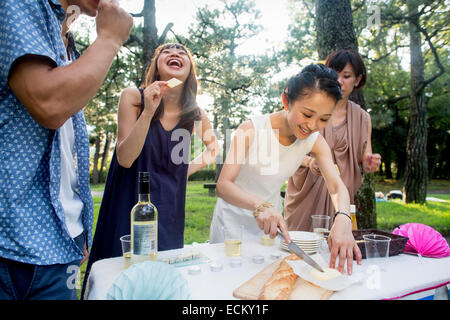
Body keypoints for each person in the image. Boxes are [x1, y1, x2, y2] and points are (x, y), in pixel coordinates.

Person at [0, 0, 132, 300]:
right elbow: (49, 104)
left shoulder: (67, 43)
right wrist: (110, 39)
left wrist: (78, 227)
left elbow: (64, 147)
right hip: (12, 248)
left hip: (62, 246)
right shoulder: (18, 5)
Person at [82, 43, 218, 296]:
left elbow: (213, 148)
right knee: (120, 273)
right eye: (167, 51)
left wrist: (184, 171)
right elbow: (125, 157)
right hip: (129, 197)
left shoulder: (194, 113)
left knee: (160, 276)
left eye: (182, 52)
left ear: (190, 71)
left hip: (168, 204)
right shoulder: (133, 97)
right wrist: (148, 111)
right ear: (156, 65)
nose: (175, 53)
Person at [210, 64, 362, 275]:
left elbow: (337, 186)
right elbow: (223, 186)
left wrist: (343, 217)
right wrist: (259, 205)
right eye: (307, 114)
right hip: (232, 224)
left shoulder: (314, 141)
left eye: (323, 119)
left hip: (271, 228)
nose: (312, 125)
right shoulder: (250, 130)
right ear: (286, 101)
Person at [284, 49, 381, 233]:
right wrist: (310, 162)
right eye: (335, 74)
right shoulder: (307, 110)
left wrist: (370, 162)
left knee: (336, 254)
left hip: (341, 199)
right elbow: (288, 151)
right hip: (306, 195)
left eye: (346, 76)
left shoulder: (363, 118)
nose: (339, 81)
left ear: (357, 80)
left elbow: (364, 160)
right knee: (297, 254)